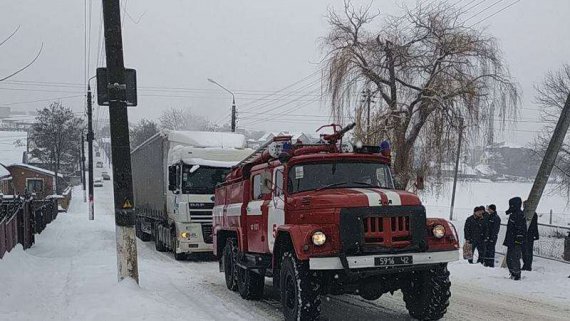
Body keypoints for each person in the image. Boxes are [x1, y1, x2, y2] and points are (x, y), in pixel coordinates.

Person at [503, 197, 527, 280]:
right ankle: (512, 272)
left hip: (515, 241)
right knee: (509, 258)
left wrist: (518, 239)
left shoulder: (519, 215)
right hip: (511, 239)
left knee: (514, 257)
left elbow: (521, 229)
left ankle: (516, 273)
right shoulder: (513, 214)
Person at [522, 201, 539, 271]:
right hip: (527, 234)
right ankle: (526, 264)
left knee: (528, 250)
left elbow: (534, 225)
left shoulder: (532, 214)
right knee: (525, 250)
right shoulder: (524, 213)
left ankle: (528, 265)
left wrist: (535, 234)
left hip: (529, 234)